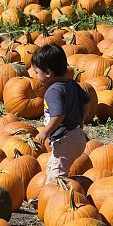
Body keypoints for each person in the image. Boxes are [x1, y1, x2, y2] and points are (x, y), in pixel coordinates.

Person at [33, 44, 91, 184]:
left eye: (36, 72)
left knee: (56, 174)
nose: (35, 76)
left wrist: (45, 132)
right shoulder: (71, 84)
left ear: (48, 73)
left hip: (65, 139)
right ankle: (71, 186)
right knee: (53, 166)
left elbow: (59, 115)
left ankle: (55, 195)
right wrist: (81, 120)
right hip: (77, 135)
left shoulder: (53, 91)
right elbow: (87, 101)